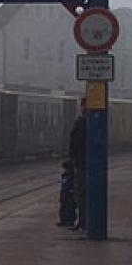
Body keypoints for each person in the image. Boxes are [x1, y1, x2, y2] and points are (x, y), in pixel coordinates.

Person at [68, 98, 87, 231]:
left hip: (81, 163)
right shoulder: (86, 122)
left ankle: (83, 221)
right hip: (82, 161)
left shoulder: (82, 122)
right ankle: (83, 220)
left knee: (81, 193)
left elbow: (76, 143)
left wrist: (73, 157)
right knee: (81, 193)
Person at [57, 160, 76, 227]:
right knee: (63, 207)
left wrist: (72, 191)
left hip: (70, 193)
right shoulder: (64, 175)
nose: (65, 170)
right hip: (64, 192)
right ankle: (64, 220)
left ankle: (70, 221)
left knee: (70, 207)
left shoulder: (72, 176)